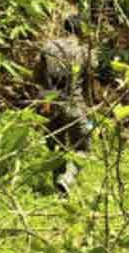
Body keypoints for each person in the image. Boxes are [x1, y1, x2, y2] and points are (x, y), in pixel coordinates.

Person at [36, 13, 94, 191]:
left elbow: (37, 75)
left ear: (65, 28)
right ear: (81, 29)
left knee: (56, 147)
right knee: (83, 147)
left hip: (49, 103)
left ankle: (58, 184)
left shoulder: (48, 47)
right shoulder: (85, 52)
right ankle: (67, 179)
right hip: (75, 104)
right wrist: (90, 106)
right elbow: (88, 83)